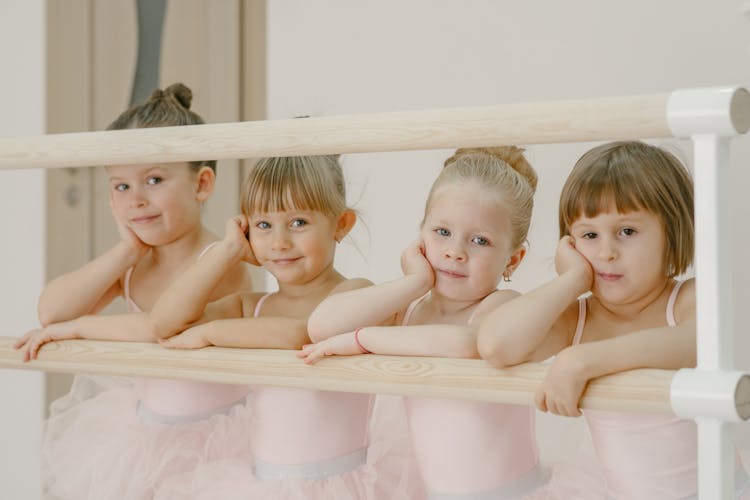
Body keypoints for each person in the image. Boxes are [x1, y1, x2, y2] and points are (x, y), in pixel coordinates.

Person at [15, 83, 255, 499]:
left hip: (215, 443)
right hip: (144, 432)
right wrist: (126, 250)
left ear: (201, 184)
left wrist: (78, 329)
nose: (136, 200)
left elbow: (160, 327)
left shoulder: (221, 258)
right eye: (121, 187)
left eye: (154, 180)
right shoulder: (136, 261)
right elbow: (51, 312)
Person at [477, 141, 748, 499]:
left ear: (671, 231)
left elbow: (693, 344)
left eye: (627, 232)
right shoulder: (579, 318)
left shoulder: (688, 299)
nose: (606, 253)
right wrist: (571, 280)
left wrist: (582, 360)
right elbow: (496, 345)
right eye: (589, 235)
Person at [145, 155, 417, 499]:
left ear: (341, 224)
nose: (279, 243)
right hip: (261, 483)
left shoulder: (354, 294)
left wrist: (208, 333)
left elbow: (302, 334)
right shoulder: (252, 306)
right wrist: (227, 250)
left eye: (299, 222)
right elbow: (164, 323)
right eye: (263, 225)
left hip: (340, 485)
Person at [301, 147, 548, 499]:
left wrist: (364, 339)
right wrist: (413, 282)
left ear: (513, 259)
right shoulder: (410, 307)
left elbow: (465, 344)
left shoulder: (503, 306)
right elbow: (322, 327)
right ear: (420, 235)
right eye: (442, 232)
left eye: (480, 241)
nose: (455, 251)